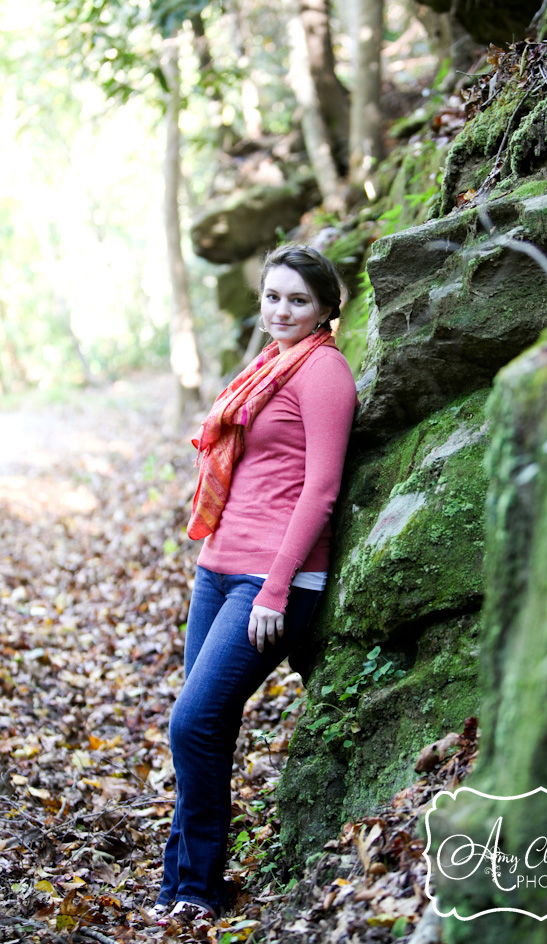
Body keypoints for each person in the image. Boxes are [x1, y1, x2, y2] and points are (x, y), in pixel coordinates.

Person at [153, 244, 357, 924]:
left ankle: (197, 887)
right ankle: (181, 883)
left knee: (194, 721)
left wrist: (275, 588)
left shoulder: (322, 372)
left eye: (298, 300)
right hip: (218, 568)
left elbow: (321, 489)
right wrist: (213, 558)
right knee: (200, 729)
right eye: (272, 296)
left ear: (327, 307)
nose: (281, 310)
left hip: (274, 578)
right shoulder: (269, 365)